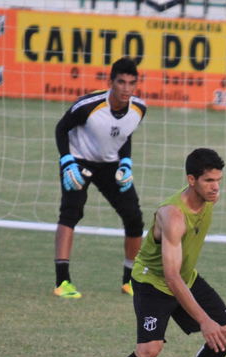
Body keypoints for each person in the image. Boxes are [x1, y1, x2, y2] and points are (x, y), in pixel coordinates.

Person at [87, 148, 226, 357]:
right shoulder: (172, 215)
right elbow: (170, 278)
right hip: (154, 282)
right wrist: (204, 321)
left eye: (218, 179)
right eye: (208, 180)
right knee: (149, 349)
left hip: (186, 277)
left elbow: (180, 273)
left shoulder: (208, 200)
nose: (216, 186)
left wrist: (210, 320)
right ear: (191, 179)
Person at [53, 57, 147, 298]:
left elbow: (124, 135)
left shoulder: (139, 109)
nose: (126, 88)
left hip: (110, 164)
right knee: (71, 212)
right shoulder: (88, 105)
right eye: (121, 82)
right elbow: (61, 129)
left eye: (131, 83)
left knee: (134, 217)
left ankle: (131, 281)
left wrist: (126, 162)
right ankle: (62, 282)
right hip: (79, 160)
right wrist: (67, 162)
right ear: (110, 82)